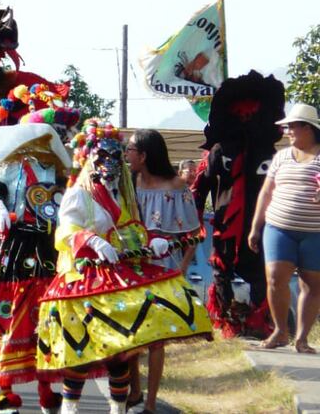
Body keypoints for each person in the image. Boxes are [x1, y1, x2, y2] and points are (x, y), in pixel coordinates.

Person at [36, 120, 211, 414]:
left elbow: (131, 229)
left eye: (116, 156)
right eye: (104, 157)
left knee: (120, 349)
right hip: (83, 277)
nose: (112, 163)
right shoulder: (79, 193)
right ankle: (70, 408)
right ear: (90, 159)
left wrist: (154, 239)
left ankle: (120, 408)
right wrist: (92, 240)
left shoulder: (121, 193)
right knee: (83, 349)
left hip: (116, 276)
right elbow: (64, 232)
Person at [0, 105, 79, 414]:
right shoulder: (13, 164)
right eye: (49, 134)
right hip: (13, 246)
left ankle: (51, 388)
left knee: (54, 319)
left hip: (55, 248)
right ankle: (1, 389)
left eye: (60, 135)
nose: (54, 140)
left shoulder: (71, 169)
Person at [126, 128, 200, 413]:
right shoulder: (129, 183)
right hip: (132, 267)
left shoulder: (177, 187)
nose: (127, 155)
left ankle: (151, 403)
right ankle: (134, 391)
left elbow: (194, 232)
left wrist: (181, 267)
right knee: (131, 332)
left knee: (156, 338)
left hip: (164, 270)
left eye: (131, 150)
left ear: (144, 155)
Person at [248, 103, 320, 353]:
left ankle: (302, 338)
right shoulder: (280, 157)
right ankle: (280, 331)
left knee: (312, 284)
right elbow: (266, 192)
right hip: (279, 228)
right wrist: (256, 227)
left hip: (315, 232)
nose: (288, 131)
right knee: (276, 278)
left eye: (292, 127)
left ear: (308, 128)